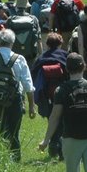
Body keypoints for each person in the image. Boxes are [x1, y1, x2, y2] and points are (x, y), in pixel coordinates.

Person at [0, 29, 36, 161]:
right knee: (14, 133)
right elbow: (28, 84)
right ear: (12, 42)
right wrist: (31, 106)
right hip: (15, 101)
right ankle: (14, 161)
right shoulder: (19, 59)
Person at [31, 32, 69, 160]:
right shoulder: (65, 56)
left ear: (47, 44)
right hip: (63, 94)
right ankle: (63, 149)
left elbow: (33, 77)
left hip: (46, 95)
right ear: (60, 43)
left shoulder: (41, 59)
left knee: (52, 119)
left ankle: (53, 145)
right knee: (63, 121)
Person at [5, 0, 42, 66]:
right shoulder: (34, 19)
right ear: (27, 6)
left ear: (16, 6)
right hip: (30, 54)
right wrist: (41, 56)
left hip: (14, 55)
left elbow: (6, 40)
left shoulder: (10, 19)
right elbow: (39, 39)